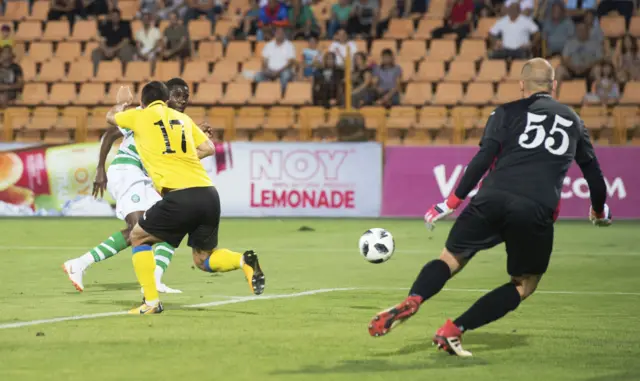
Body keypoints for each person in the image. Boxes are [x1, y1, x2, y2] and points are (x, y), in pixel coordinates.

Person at [368, 58, 611, 356]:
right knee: (525, 284)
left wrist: (452, 201)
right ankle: (454, 330)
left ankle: (415, 298)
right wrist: (599, 211)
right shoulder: (574, 121)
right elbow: (595, 179)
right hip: (535, 208)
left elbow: (483, 159)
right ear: (554, 86)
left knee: (450, 259)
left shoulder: (505, 112)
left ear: (522, 85)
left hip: (491, 197)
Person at [104, 81, 265, 314]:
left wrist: (121, 103)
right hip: (208, 194)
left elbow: (111, 117)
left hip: (180, 196)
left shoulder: (140, 116)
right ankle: (243, 261)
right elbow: (209, 148)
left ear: (143, 102)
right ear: (166, 99)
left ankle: (151, 302)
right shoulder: (184, 120)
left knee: (138, 237)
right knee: (203, 259)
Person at [64, 79, 203, 294]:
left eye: (186, 96)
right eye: (177, 95)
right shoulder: (145, 111)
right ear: (165, 97)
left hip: (146, 178)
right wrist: (100, 169)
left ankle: (155, 278)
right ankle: (79, 264)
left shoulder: (177, 120)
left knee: (171, 227)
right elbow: (110, 133)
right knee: (140, 229)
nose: (183, 100)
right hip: (128, 171)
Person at [91, 9, 135, 76]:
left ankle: (126, 74)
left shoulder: (125, 25)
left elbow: (126, 41)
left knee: (126, 51)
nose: (115, 18)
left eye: (116, 16)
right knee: (95, 53)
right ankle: (95, 75)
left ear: (120, 17)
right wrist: (105, 49)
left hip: (120, 48)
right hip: (108, 48)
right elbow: (102, 40)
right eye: (113, 16)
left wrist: (113, 50)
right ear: (110, 17)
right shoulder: (106, 26)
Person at [255, 27, 296, 92]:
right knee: (257, 76)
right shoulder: (269, 45)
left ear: (284, 35)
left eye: (280, 33)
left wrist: (278, 72)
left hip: (283, 70)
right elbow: (265, 60)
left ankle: (282, 95)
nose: (278, 34)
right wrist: (266, 69)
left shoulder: (289, 46)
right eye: (277, 33)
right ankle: (267, 93)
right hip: (270, 70)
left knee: (285, 76)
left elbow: (290, 62)